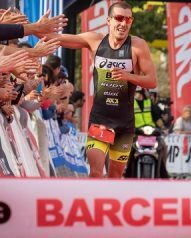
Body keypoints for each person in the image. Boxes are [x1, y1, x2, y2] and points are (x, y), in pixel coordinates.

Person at [39, 2, 157, 178]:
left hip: (124, 123)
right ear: (108, 21)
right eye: (118, 18)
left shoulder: (138, 46)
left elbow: (152, 81)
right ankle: (96, 204)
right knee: (95, 172)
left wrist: (129, 77)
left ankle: (111, 204)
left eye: (128, 19)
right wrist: (37, 29)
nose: (123, 23)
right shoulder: (95, 41)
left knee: (115, 175)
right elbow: (59, 39)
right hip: (100, 119)